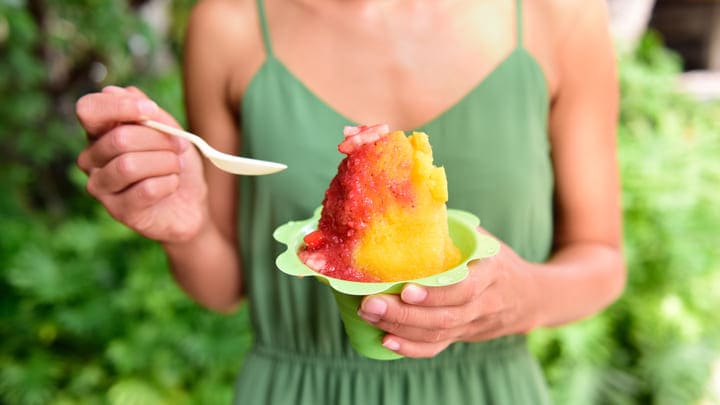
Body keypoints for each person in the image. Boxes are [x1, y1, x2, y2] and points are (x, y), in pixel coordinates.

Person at [75, 0, 625, 403]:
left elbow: (602, 258)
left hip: (488, 389)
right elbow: (225, 288)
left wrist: (524, 296)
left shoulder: (560, 16)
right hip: (295, 390)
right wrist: (187, 230)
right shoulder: (231, 23)